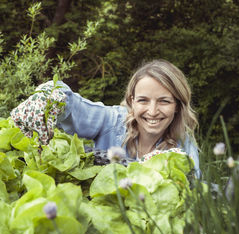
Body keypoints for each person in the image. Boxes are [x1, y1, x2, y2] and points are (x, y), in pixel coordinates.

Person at [11, 59, 200, 176]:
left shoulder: (183, 146)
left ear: (177, 105)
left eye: (164, 101)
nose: (152, 111)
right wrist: (49, 97)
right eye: (143, 100)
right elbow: (75, 107)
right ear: (131, 102)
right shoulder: (114, 121)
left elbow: (191, 194)